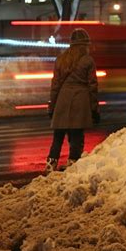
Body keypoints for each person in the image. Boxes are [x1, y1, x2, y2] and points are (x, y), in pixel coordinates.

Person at [45, 27, 100, 174]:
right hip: (80, 99)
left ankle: (51, 163)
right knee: (76, 135)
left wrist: (52, 106)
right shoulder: (88, 60)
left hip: (62, 98)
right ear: (85, 45)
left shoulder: (61, 60)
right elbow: (92, 86)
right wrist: (94, 108)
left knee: (58, 135)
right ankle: (73, 163)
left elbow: (55, 84)